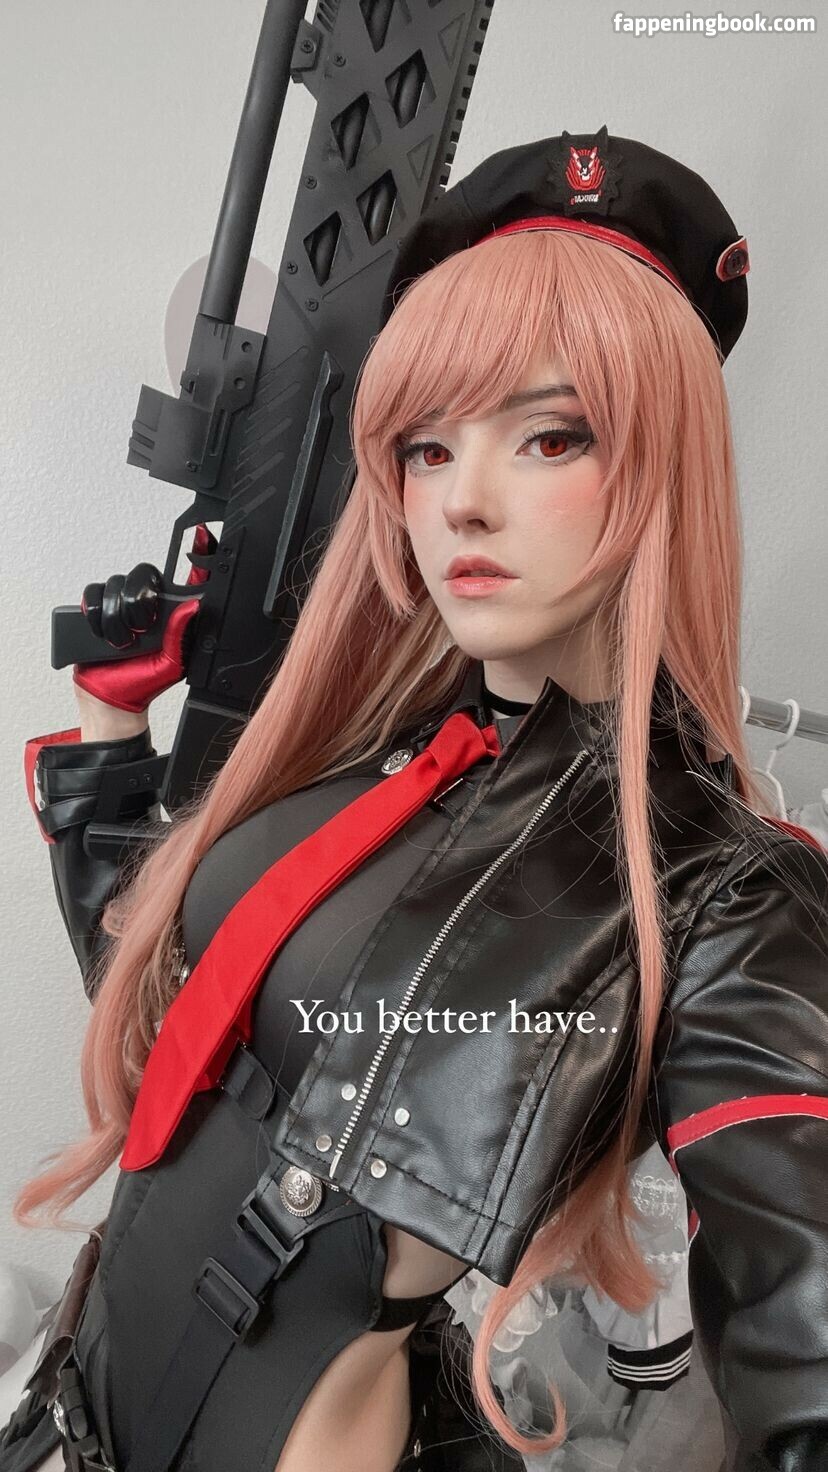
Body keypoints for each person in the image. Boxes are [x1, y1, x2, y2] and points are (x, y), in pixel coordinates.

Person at [2, 126, 827, 1472]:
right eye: (428, 449)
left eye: (550, 436)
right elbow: (172, 1036)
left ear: (666, 467)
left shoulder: (715, 888)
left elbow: (807, 1328)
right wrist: (109, 733)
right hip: (68, 1415)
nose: (463, 504)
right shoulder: (369, 762)